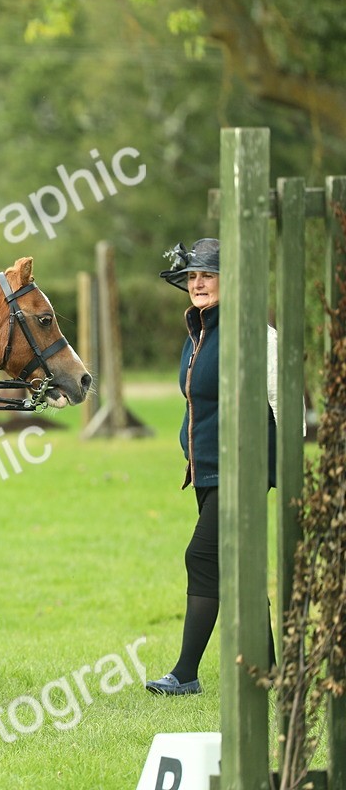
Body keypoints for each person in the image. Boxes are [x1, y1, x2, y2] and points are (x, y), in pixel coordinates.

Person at [145, 238, 285, 696]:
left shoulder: (253, 334)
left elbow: (284, 404)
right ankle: (273, 674)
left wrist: (277, 469)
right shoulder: (199, 332)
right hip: (207, 470)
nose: (198, 282)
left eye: (208, 274)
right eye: (192, 275)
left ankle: (186, 673)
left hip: (241, 469)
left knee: (202, 557)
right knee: (237, 568)